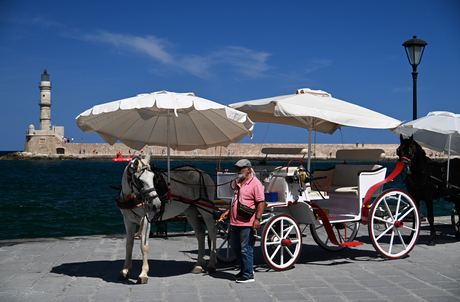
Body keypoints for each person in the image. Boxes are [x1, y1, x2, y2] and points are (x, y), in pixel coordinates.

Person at [219, 159, 265, 283]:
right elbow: (234, 200)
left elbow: (261, 203)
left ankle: (249, 274)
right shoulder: (239, 182)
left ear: (248, 169)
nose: (238, 171)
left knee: (246, 248)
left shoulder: (256, 184)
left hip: (247, 222)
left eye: (240, 168)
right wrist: (228, 212)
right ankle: (245, 269)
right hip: (234, 222)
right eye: (237, 168)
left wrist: (257, 219)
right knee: (235, 247)